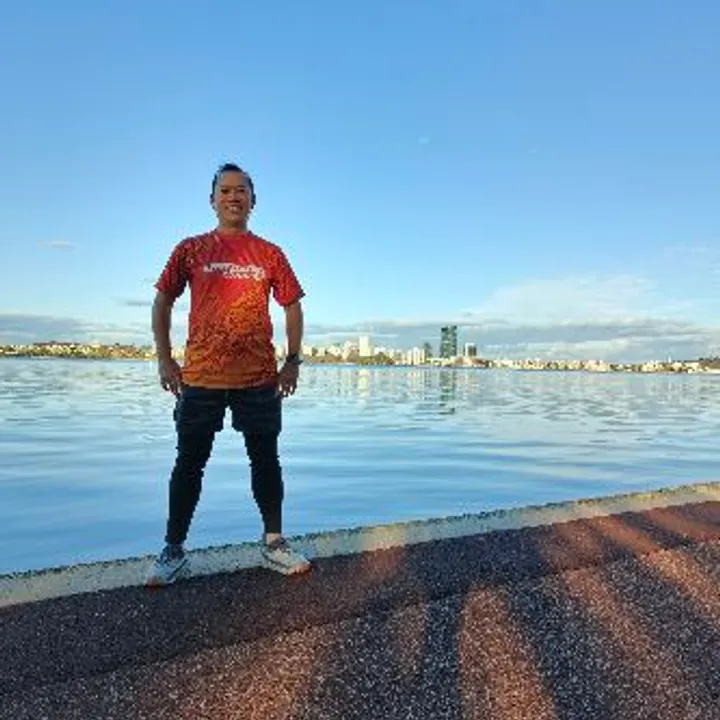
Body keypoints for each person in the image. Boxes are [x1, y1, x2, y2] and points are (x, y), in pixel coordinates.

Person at [145, 162, 311, 586]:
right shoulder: (191, 249)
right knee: (189, 463)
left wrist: (292, 361)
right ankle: (173, 550)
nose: (233, 197)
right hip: (200, 377)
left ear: (253, 200)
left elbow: (292, 306)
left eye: (241, 190)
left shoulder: (270, 253)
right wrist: (165, 359)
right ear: (212, 200)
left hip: (259, 379)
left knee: (266, 459)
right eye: (225, 190)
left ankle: (273, 543)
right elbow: (162, 301)